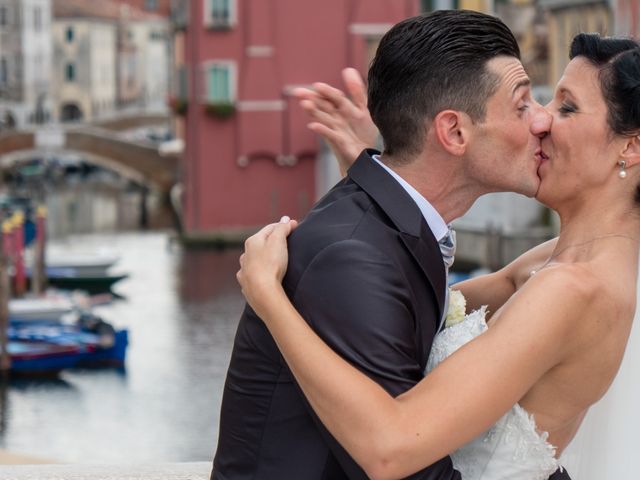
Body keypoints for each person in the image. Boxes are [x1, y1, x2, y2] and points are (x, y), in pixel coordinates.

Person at [235, 33, 640, 480]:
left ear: (631, 147)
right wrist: (394, 173)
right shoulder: (565, 262)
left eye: (567, 108)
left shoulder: (572, 287)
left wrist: (267, 296)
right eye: (537, 103)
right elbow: (425, 302)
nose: (543, 121)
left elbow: (391, 448)